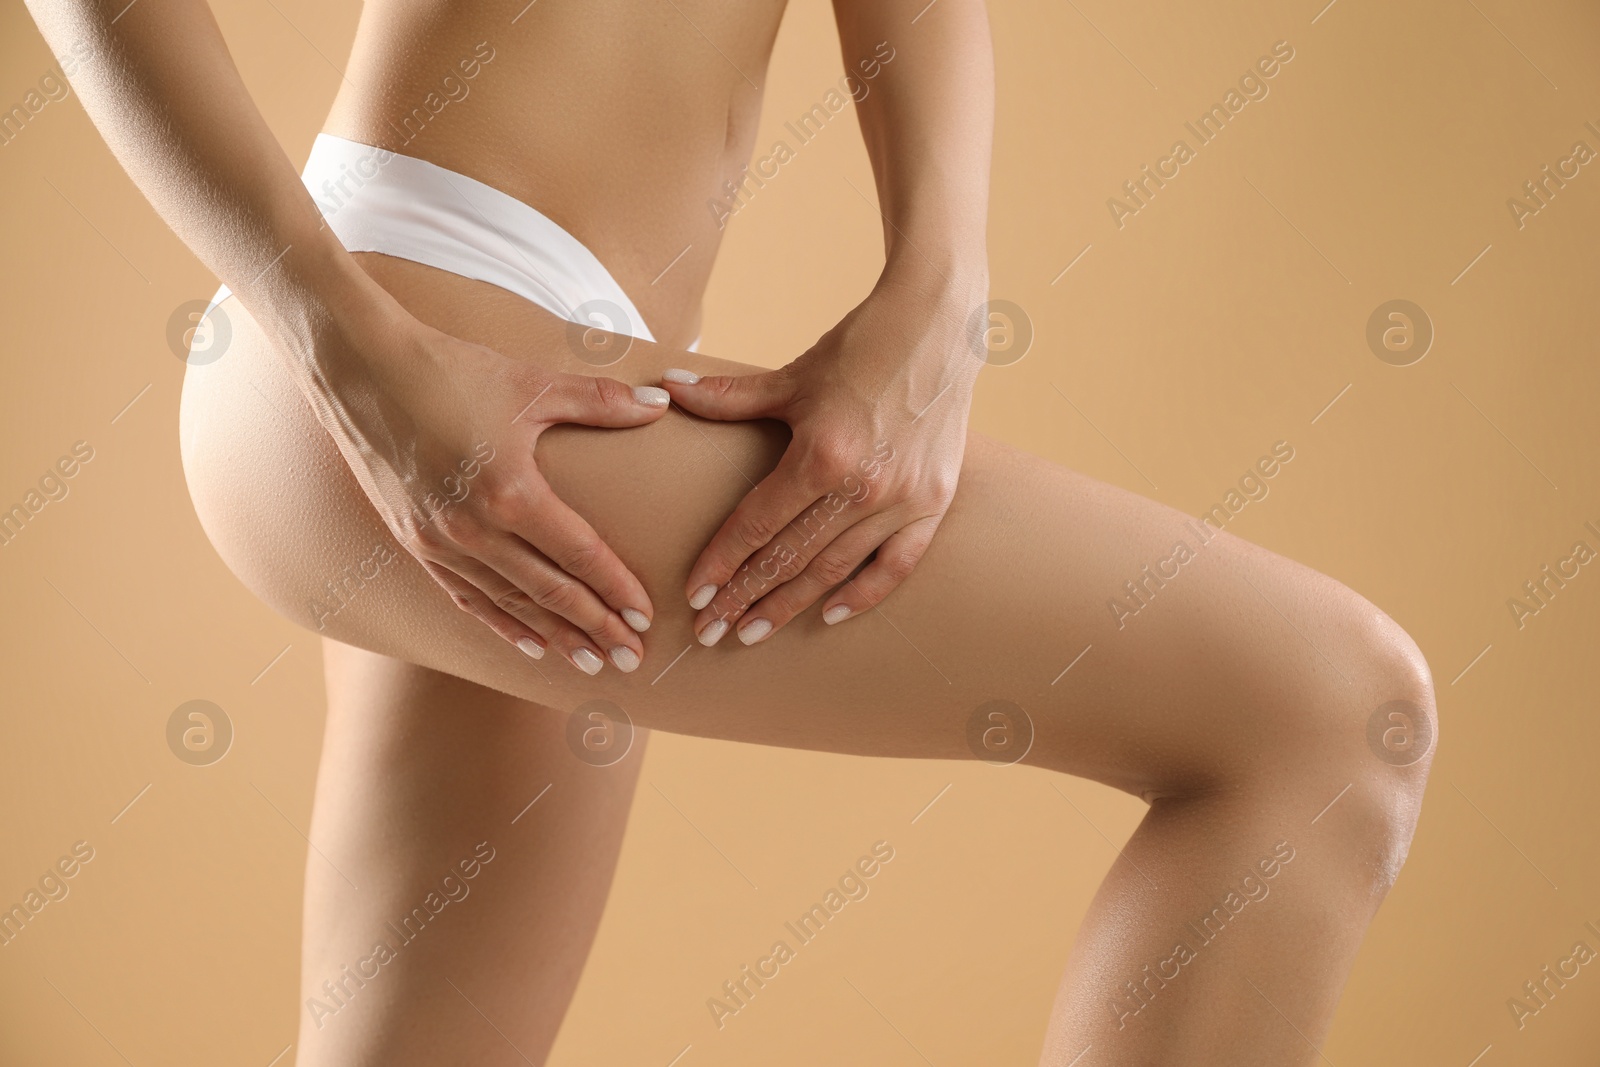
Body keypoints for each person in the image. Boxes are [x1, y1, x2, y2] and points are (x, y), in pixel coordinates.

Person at [25, 0, 1436, 1061]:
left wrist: (940, 288)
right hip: (430, 333)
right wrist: (348, 343)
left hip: (482, 337)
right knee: (1326, 712)